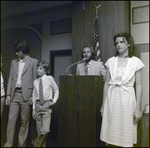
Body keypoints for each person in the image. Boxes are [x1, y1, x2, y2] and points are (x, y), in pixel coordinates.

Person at [100, 32, 145, 147]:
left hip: (127, 100)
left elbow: (139, 86)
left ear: (129, 44)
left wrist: (138, 108)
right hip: (112, 99)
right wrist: (103, 104)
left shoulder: (136, 62)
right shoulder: (111, 61)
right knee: (110, 136)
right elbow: (106, 84)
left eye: (121, 42)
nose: (118, 45)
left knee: (126, 134)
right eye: (116, 43)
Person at [4, 39, 38, 147]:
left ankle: (21, 145)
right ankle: (8, 144)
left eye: (18, 51)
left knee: (24, 122)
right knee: (11, 121)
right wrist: (8, 95)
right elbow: (10, 79)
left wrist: (33, 95)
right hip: (14, 95)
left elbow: (35, 80)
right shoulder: (14, 62)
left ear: (23, 51)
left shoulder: (33, 62)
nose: (16, 53)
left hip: (26, 96)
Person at [32, 60, 59, 147]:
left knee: (45, 130)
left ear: (45, 71)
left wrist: (54, 101)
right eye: (37, 68)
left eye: (40, 68)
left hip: (47, 105)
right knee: (39, 130)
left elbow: (56, 90)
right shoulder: (35, 81)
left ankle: (36, 143)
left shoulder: (49, 79)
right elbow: (34, 95)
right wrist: (33, 109)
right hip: (37, 105)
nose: (38, 70)